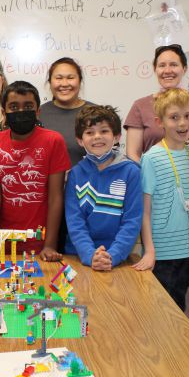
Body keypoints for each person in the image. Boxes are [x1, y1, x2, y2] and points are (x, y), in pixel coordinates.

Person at [0, 81, 70, 261]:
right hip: (3, 243)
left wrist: (50, 245)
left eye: (28, 106)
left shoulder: (54, 141)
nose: (21, 112)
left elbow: (55, 196)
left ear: (38, 111)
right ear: (4, 113)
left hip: (41, 243)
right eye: (14, 107)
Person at [134, 89, 189, 310]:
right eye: (174, 117)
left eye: (188, 116)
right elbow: (145, 210)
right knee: (163, 312)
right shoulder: (152, 158)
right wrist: (150, 250)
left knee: (182, 309)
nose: (183, 123)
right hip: (162, 253)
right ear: (159, 121)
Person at [64, 105, 142, 271]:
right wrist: (90, 255)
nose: (97, 137)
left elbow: (132, 221)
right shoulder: (75, 174)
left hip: (117, 259)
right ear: (80, 140)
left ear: (117, 136)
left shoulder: (131, 172)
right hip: (78, 256)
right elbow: (75, 222)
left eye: (104, 131)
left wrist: (112, 256)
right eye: (90, 132)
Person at [124, 44, 189, 163]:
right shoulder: (140, 106)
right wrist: (151, 174)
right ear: (155, 69)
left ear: (184, 69)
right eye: (162, 65)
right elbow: (132, 154)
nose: (167, 70)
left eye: (174, 65)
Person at [39, 57, 96, 165]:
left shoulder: (96, 113)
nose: (64, 84)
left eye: (70, 78)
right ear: (50, 82)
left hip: (89, 181)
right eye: (58, 78)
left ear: (80, 81)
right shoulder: (38, 114)